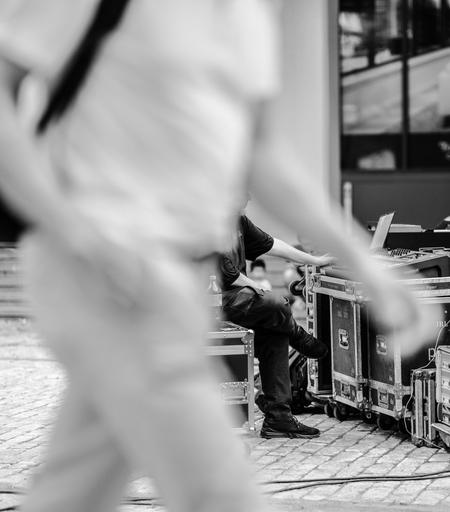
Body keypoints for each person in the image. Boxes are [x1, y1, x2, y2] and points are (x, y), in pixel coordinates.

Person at [0, 1, 441, 512]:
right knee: (218, 493)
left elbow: (264, 156)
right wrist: (73, 230)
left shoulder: (252, 15)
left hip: (177, 280)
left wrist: (367, 267)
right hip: (108, 270)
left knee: (75, 487)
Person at [219, 214, 334, 439]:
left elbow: (273, 244)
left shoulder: (239, 221)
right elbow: (228, 275)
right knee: (275, 303)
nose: (248, 197)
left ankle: (278, 418)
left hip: (240, 298)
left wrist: (316, 261)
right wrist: (258, 288)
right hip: (213, 301)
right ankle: (298, 336)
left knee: (275, 333)